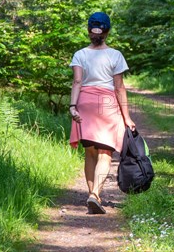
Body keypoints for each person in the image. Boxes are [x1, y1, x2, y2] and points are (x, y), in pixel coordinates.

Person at [69, 12, 136, 214]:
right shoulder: (115, 55)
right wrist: (127, 117)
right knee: (105, 153)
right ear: (107, 31)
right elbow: (119, 87)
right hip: (107, 105)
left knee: (89, 152)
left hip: (85, 103)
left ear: (89, 31)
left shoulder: (80, 54)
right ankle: (95, 195)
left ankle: (92, 194)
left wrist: (72, 106)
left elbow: (77, 82)